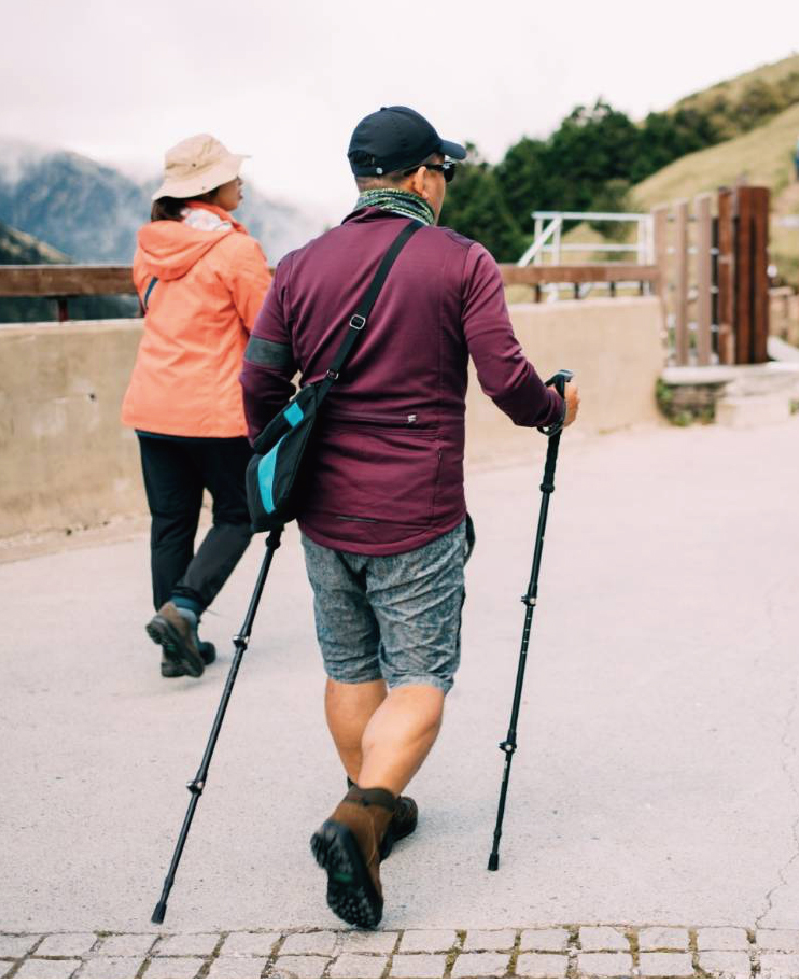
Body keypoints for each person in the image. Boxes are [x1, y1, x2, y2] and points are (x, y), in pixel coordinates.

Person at [241, 106, 579, 929]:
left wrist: (279, 461)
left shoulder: (299, 266)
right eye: (445, 172)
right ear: (426, 175)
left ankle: (377, 809)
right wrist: (554, 408)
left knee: (352, 666)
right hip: (418, 512)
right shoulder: (460, 261)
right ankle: (361, 816)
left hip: (323, 509)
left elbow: (257, 387)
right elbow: (507, 382)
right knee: (422, 675)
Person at [121, 134, 271, 679]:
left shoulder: (150, 247)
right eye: (234, 176)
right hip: (215, 411)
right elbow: (265, 328)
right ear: (212, 187)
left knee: (170, 524)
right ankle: (184, 609)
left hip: (154, 406)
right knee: (238, 514)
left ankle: (175, 647)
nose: (242, 184)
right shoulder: (236, 251)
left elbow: (151, 311)